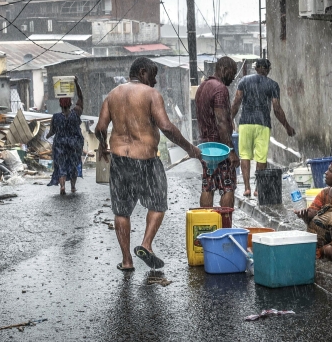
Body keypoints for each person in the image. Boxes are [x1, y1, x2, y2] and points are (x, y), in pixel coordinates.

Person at [95, 57, 202, 271]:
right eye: (152, 76)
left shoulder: (112, 95)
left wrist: (103, 145)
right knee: (158, 203)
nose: (154, 82)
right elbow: (166, 127)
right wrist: (191, 149)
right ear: (142, 72)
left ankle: (126, 261)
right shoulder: (151, 94)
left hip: (119, 160)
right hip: (146, 160)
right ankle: (146, 244)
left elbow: (100, 127)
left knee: (121, 211)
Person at [230, 58, 295, 197]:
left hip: (246, 123)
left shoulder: (244, 81)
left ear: (256, 68)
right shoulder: (272, 85)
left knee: (245, 156)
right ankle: (258, 189)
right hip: (263, 124)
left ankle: (246, 188)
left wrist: (229, 119)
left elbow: (236, 102)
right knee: (261, 157)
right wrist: (287, 126)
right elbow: (277, 109)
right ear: (268, 70)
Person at [195, 56, 239, 209]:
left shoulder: (203, 87)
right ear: (224, 70)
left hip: (205, 146)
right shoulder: (220, 89)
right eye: (232, 73)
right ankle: (225, 225)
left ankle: (207, 223)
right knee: (227, 187)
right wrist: (231, 151)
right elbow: (221, 123)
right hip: (220, 148)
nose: (233, 78)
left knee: (208, 185)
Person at [46, 77, 85, 195]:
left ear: (60, 104)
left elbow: (52, 131)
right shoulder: (76, 112)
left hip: (60, 144)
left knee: (61, 165)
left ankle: (62, 186)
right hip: (74, 144)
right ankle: (73, 186)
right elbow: (81, 98)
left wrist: (47, 135)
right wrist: (77, 84)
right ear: (70, 103)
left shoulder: (56, 117)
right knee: (73, 164)